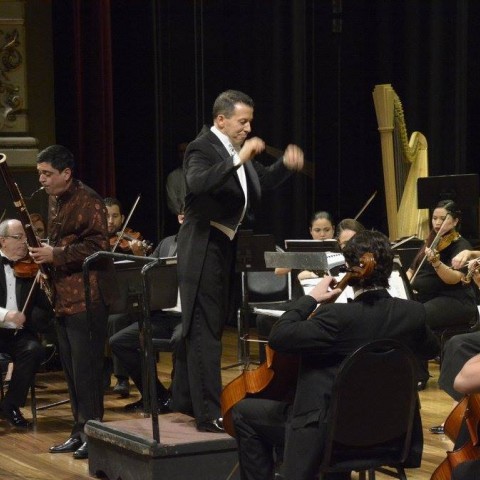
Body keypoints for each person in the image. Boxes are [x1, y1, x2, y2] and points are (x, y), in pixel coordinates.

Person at [230, 230, 439, 480]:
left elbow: (279, 336)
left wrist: (310, 299)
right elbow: (432, 349)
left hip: (331, 435)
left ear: (350, 270)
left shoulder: (336, 319)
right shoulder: (412, 314)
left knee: (243, 412)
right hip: (390, 433)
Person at [171, 89, 304, 433]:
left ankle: (186, 400)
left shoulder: (233, 152)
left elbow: (262, 182)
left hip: (225, 248)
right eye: (242, 121)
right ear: (221, 120)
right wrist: (239, 158)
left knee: (210, 328)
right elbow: (198, 182)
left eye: (250, 123)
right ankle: (209, 414)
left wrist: (284, 166)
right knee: (204, 333)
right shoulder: (203, 147)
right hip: (202, 247)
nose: (247, 128)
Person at [29, 145, 115, 460]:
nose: (42, 179)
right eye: (40, 173)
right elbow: (63, 241)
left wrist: (57, 255)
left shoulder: (88, 200)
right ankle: (79, 431)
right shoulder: (56, 200)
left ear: (66, 173)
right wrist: (47, 263)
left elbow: (97, 246)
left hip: (88, 298)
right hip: (64, 297)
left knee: (87, 371)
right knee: (71, 371)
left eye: (47, 173)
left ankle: (94, 434)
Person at [406, 200, 477, 388]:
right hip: (429, 298)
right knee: (402, 313)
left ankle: (420, 375)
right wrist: (405, 285)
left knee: (417, 317)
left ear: (455, 222)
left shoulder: (461, 245)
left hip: (456, 300)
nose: (437, 223)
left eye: (443, 219)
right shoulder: (430, 241)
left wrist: (437, 263)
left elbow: (453, 279)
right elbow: (412, 269)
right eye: (434, 218)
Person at [109, 230, 182, 414]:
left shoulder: (198, 245)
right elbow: (148, 271)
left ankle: (178, 397)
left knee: (181, 340)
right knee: (120, 342)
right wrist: (139, 255)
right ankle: (155, 396)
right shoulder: (167, 242)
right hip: (162, 315)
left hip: (186, 316)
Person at [0, 219, 52, 429]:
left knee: (34, 350)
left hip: (20, 334)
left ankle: (11, 405)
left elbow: (46, 307)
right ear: (2, 241)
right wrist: (7, 315)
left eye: (24, 237)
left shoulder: (31, 267)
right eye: (18, 237)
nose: (24, 242)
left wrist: (47, 280)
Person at [165, 142, 188, 217]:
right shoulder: (173, 176)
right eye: (181, 152)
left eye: (186, 151)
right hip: (182, 220)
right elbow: (172, 202)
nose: (184, 154)